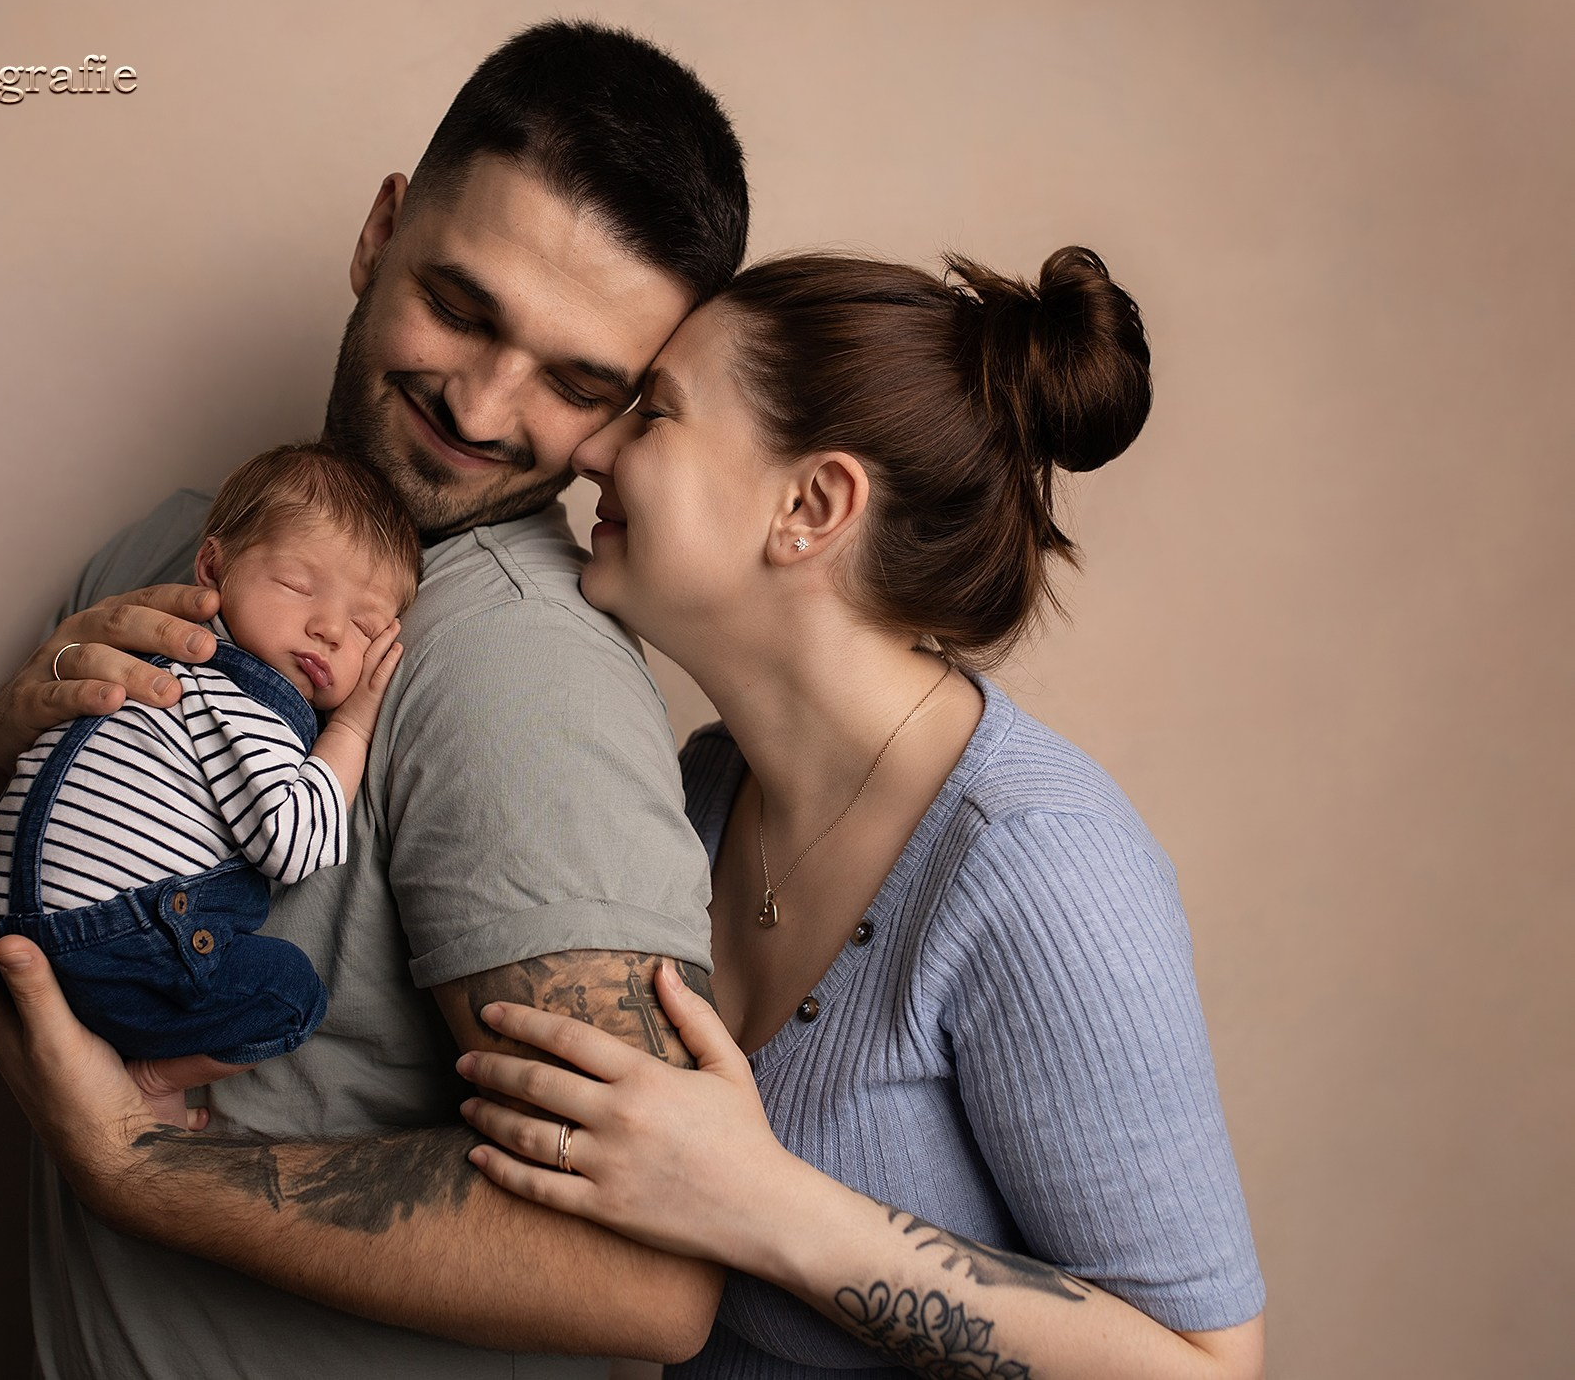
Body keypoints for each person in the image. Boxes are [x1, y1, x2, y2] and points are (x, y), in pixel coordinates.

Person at [0, 19, 753, 1377]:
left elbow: (648, 1278)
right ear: (380, 234)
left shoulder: (514, 669)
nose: (483, 405)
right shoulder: (159, 558)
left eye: (578, 383)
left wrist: (139, 1171)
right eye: (465, 309)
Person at [451, 247, 1268, 1378]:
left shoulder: (1039, 866)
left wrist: (763, 1205)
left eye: (656, 415)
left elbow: (1205, 1370)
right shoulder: (696, 790)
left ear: (811, 504)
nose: (589, 446)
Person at [0, 443, 415, 1069]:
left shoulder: (149, 660)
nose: (332, 630)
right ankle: (152, 1082)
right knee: (292, 992)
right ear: (212, 566)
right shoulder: (241, 697)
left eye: (367, 628)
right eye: (296, 585)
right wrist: (356, 728)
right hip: (100, 944)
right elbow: (291, 843)